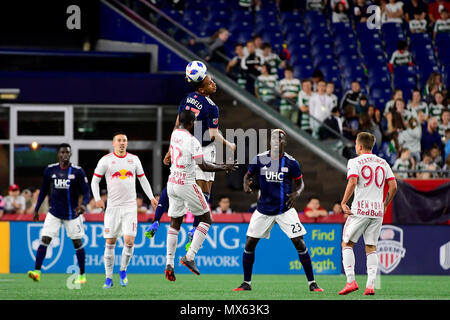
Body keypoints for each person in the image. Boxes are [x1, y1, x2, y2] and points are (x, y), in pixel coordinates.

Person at [233, 129, 323, 292]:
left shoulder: (291, 162)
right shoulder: (260, 159)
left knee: (299, 243)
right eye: (274, 138)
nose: (276, 141)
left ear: (284, 142)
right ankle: (246, 283)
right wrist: (246, 184)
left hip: (285, 210)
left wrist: (297, 193)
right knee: (250, 243)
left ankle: (312, 283)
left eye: (280, 139)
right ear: (270, 141)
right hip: (263, 210)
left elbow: (300, 183)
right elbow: (247, 175)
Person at [160, 72, 236, 251]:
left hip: (183, 145)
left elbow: (178, 122)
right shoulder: (212, 107)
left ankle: (187, 225)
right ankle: (194, 229)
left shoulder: (187, 98)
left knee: (183, 183)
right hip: (203, 148)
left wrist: (171, 148)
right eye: (210, 83)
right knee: (205, 190)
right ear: (202, 88)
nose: (214, 84)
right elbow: (212, 134)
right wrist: (229, 144)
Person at [164, 110, 237, 280]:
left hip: (171, 182)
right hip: (186, 183)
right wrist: (223, 167)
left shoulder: (175, 134)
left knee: (175, 221)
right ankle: (190, 257)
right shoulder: (192, 140)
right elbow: (203, 166)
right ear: (191, 123)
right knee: (206, 218)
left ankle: (169, 262)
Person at [91, 132, 158, 289]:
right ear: (114, 143)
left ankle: (123, 271)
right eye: (119, 140)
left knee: (129, 241)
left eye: (124, 141)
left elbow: (143, 179)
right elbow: (95, 181)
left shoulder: (133, 159)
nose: (122, 143)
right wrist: (97, 198)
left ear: (127, 144)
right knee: (110, 242)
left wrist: (151, 198)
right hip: (113, 208)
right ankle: (108, 278)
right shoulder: (106, 160)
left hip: (130, 208)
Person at [340, 132, 397, 296]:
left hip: (360, 209)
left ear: (359, 146)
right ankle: (370, 286)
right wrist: (385, 204)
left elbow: (353, 181)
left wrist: (344, 202)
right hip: (378, 210)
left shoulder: (355, 161)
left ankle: (350, 281)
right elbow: (393, 187)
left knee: (347, 243)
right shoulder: (383, 162)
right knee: (371, 247)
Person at [27, 143, 91, 285]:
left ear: (70, 154)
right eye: (62, 152)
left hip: (72, 213)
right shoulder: (50, 170)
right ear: (58, 154)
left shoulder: (78, 171)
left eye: (67, 152)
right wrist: (37, 209)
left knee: (77, 243)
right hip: (54, 212)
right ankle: (37, 272)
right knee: (45, 239)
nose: (65, 155)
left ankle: (82, 275)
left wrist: (84, 205)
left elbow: (87, 192)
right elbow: (43, 190)